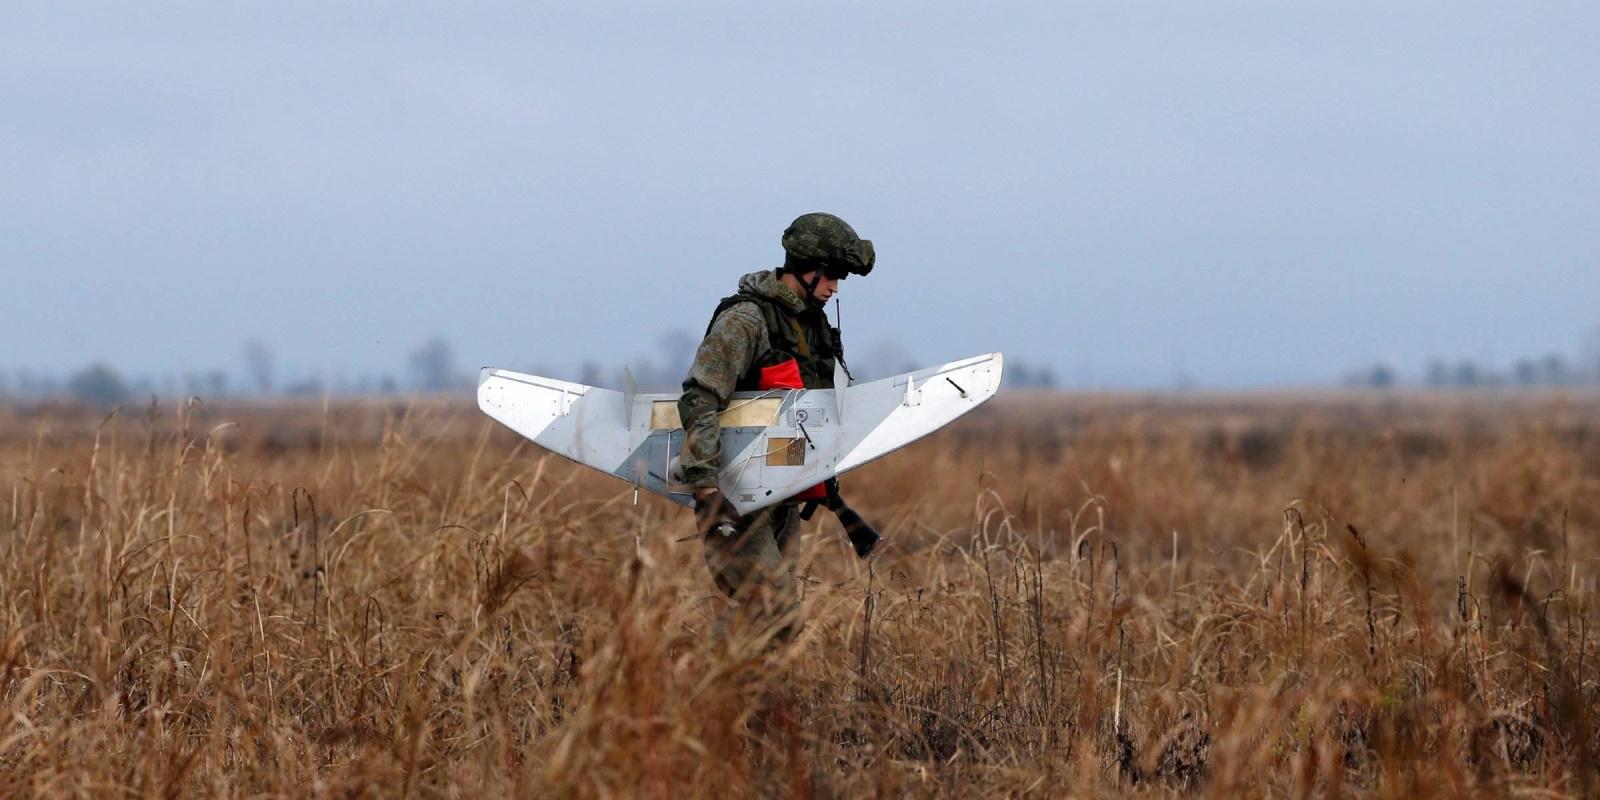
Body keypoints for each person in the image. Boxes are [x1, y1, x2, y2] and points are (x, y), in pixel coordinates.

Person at [676, 212, 874, 644]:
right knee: (774, 613)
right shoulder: (746, 320)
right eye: (832, 275)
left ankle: (713, 699)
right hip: (733, 499)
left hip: (782, 496)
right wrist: (706, 488)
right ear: (805, 266)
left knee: (767, 626)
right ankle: (697, 691)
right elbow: (700, 397)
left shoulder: (811, 325)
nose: (835, 287)